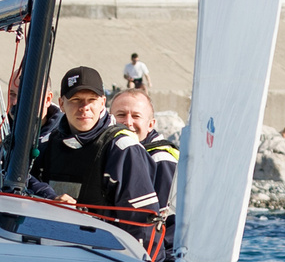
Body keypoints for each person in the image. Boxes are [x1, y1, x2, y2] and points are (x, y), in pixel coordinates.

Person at [30, 66, 159, 234]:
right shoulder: (46, 144)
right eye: (76, 99)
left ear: (102, 103)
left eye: (91, 99)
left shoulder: (123, 150)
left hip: (104, 255)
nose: (84, 107)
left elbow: (144, 225)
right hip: (54, 246)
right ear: (61, 103)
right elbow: (20, 180)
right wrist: (49, 196)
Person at [110, 86, 178, 252]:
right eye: (121, 115)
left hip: (152, 256)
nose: (128, 122)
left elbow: (166, 223)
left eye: (136, 116)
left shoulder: (162, 160)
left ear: (151, 124)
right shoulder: (113, 151)